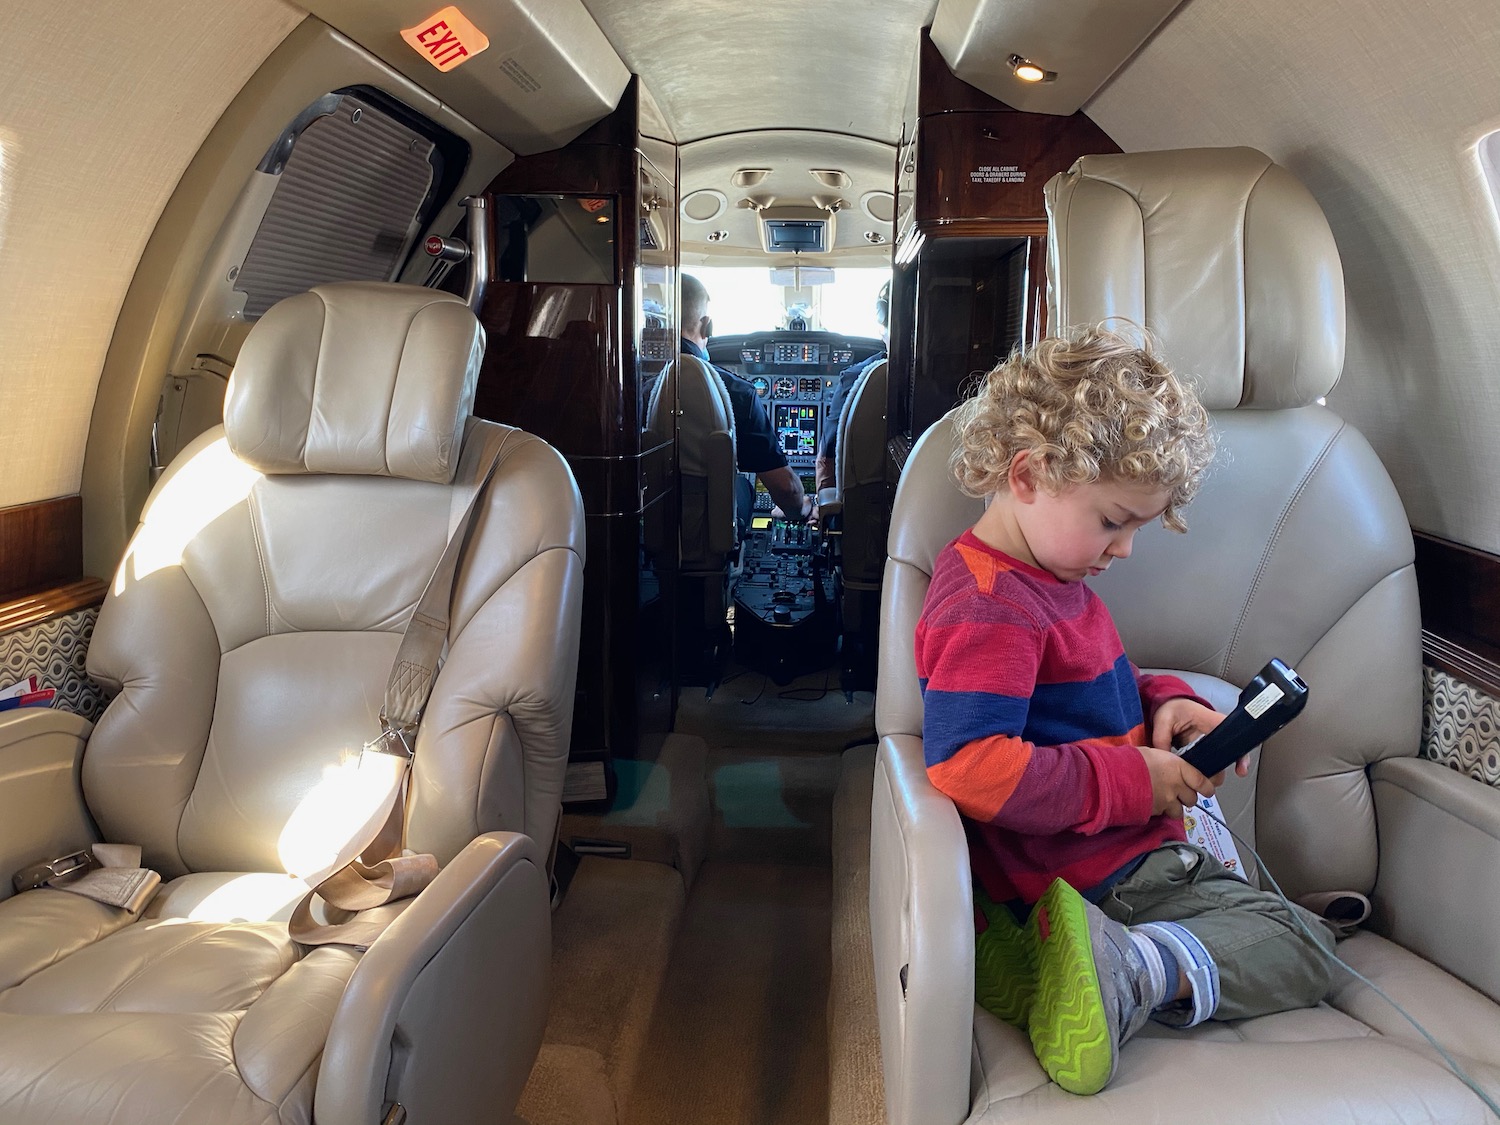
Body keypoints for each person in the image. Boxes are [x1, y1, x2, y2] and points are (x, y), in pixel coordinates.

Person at [914, 326, 1335, 1096]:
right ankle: (1132, 971)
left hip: (1094, 872)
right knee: (1302, 940)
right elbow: (970, 764)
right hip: (1107, 871)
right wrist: (1134, 783)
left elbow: (1093, 684)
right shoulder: (991, 607)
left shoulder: (1046, 581)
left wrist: (1164, 701)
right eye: (1114, 521)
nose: (1126, 550)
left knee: (1269, 922)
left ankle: (1048, 958)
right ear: (1029, 472)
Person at [679, 274, 813, 528]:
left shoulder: (633, 385)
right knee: (744, 482)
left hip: (651, 522)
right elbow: (785, 489)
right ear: (707, 326)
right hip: (709, 526)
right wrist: (803, 508)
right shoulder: (735, 391)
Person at [815, 280, 888, 493]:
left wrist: (821, 507)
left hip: (857, 506)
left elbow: (827, 457)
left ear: (884, 319)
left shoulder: (857, 377)